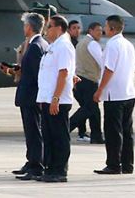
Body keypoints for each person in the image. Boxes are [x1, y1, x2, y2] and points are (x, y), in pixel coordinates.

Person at [93, 15, 135, 175]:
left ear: (111, 28)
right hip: (128, 92)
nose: (104, 29)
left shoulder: (112, 45)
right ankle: (127, 164)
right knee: (127, 131)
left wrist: (100, 90)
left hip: (114, 94)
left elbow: (109, 69)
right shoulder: (128, 44)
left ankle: (113, 164)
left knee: (113, 131)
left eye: (105, 26)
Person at [8, 13, 49, 180]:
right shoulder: (40, 44)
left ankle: (36, 165)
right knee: (32, 131)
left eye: (25, 25)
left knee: (33, 132)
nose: (24, 28)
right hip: (32, 95)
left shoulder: (34, 47)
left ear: (29, 27)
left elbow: (35, 74)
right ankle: (32, 161)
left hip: (31, 96)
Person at [35, 15, 76, 183]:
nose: (47, 30)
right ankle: (50, 168)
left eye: (50, 26)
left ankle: (60, 170)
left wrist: (55, 98)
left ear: (59, 28)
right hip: (47, 98)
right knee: (49, 135)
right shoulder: (54, 46)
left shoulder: (64, 46)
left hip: (58, 101)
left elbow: (63, 73)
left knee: (59, 136)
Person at [70, 22, 104, 144]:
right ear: (90, 31)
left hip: (80, 80)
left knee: (93, 109)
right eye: (97, 30)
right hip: (89, 80)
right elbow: (102, 62)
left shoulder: (80, 44)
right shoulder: (92, 44)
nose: (100, 33)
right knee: (88, 109)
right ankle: (66, 127)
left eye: (101, 30)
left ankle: (97, 136)